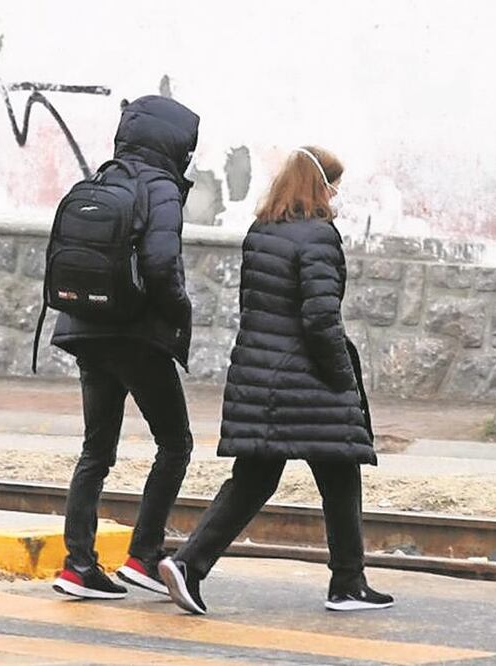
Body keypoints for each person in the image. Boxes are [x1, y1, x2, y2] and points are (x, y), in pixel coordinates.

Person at [159, 146, 393, 615]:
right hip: (307, 380)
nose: (335, 194)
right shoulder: (319, 236)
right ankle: (347, 583)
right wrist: (342, 379)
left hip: (260, 375)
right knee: (340, 476)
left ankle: (189, 564)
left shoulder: (261, 232)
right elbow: (320, 317)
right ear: (319, 185)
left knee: (253, 479)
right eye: (333, 185)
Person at [50, 95, 199, 599]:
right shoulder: (161, 188)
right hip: (136, 336)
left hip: (86, 329)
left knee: (96, 450)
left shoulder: (101, 177)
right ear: (174, 143)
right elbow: (161, 265)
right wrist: (179, 312)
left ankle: (77, 566)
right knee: (176, 444)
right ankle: (144, 555)